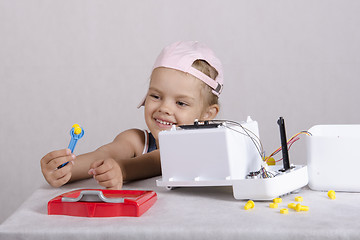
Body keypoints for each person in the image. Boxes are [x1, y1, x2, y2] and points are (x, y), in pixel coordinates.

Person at [40, 41, 224, 189]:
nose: (164, 108)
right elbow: (104, 155)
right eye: (156, 96)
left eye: (181, 103)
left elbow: (161, 159)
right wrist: (67, 169)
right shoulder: (137, 140)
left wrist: (122, 169)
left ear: (208, 114)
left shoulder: (205, 148)